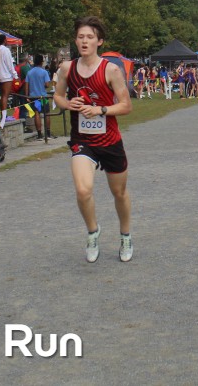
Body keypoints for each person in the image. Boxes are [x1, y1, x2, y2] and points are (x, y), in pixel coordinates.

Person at [53, 16, 134, 263]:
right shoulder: (67, 68)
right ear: (75, 40)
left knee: (119, 192)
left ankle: (125, 235)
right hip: (83, 140)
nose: (84, 41)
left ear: (99, 41)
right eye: (80, 37)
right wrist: (69, 103)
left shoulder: (111, 70)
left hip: (109, 140)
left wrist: (101, 110)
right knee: (83, 190)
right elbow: (58, 97)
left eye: (90, 37)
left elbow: (126, 105)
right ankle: (92, 232)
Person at [24, 54, 52, 140]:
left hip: (33, 96)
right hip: (43, 96)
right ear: (41, 62)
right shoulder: (44, 72)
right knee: (47, 113)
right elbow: (47, 84)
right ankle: (48, 133)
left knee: (37, 113)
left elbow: (26, 85)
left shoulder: (29, 72)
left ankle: (39, 134)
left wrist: (27, 96)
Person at [0, 34, 18, 111]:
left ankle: (3, 114)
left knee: (3, 96)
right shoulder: (5, 50)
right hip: (6, 76)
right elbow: (10, 64)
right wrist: (15, 75)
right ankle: (3, 115)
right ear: (4, 40)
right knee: (5, 96)